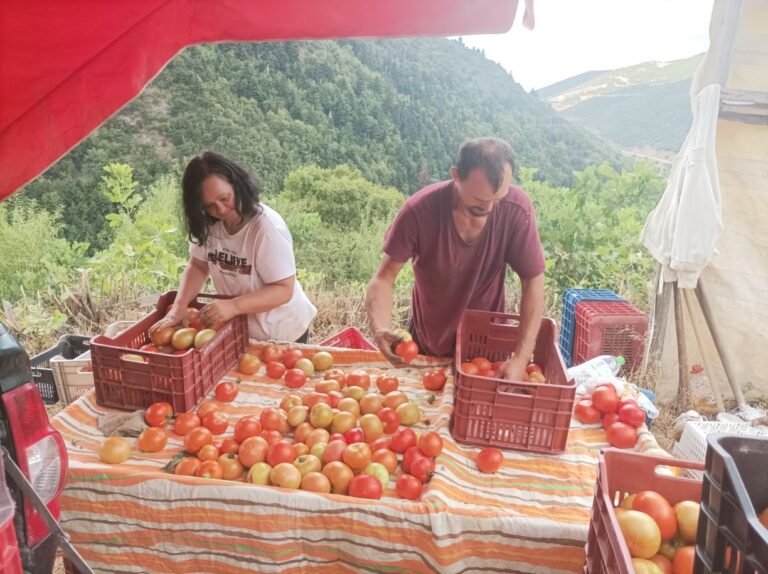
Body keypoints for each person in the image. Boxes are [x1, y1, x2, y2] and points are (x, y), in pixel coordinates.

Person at [365, 137, 545, 380]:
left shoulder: (516, 209)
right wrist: (380, 329)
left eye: (497, 198)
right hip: (429, 342)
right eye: (480, 201)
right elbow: (384, 279)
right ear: (456, 176)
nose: (490, 208)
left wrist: (521, 359)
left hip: (486, 351)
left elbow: (533, 281)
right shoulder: (420, 211)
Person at [151, 151, 316, 342]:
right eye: (209, 206)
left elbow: (283, 289)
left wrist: (233, 306)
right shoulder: (208, 224)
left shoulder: (267, 229)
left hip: (282, 328)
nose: (220, 210)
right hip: (241, 328)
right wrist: (179, 306)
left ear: (236, 185)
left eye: (224, 198)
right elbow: (198, 265)